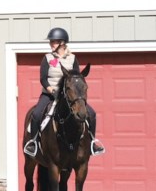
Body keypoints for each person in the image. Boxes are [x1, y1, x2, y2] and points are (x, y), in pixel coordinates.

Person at [23, 28, 105, 158]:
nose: (51, 44)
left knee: (92, 113)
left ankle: (92, 142)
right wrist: (52, 90)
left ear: (62, 42)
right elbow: (43, 79)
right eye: (50, 42)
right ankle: (33, 143)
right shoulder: (47, 58)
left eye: (53, 42)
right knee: (36, 114)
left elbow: (77, 78)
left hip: (68, 96)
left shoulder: (72, 59)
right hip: (49, 94)